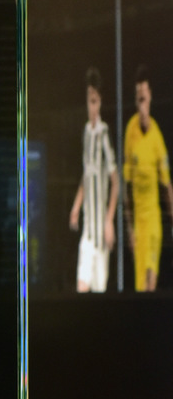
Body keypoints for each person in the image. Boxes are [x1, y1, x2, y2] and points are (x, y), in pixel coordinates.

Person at [123, 66, 173, 292]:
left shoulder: (157, 138)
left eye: (144, 97)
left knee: (151, 281)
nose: (141, 103)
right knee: (140, 286)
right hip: (138, 227)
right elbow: (126, 184)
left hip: (153, 222)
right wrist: (129, 229)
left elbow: (166, 185)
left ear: (150, 97)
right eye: (137, 98)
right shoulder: (130, 131)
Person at [69, 68, 118, 293]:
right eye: (90, 100)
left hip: (101, 235)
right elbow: (86, 176)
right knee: (81, 288)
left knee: (98, 298)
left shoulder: (104, 133)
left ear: (99, 102)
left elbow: (115, 180)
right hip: (88, 234)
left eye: (96, 100)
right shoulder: (86, 133)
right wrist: (76, 207)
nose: (92, 105)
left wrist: (109, 221)